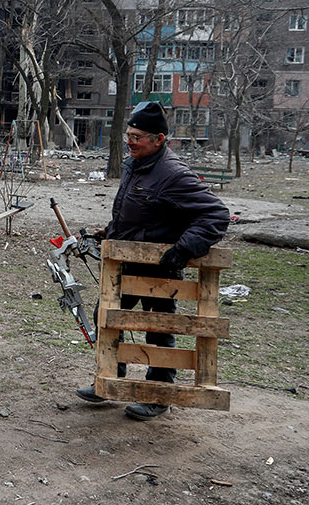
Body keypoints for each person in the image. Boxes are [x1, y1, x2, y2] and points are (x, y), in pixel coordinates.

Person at [75, 101, 230, 421]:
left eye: (137, 136)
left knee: (159, 330)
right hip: (125, 264)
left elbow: (216, 215)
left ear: (160, 140)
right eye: (127, 135)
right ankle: (109, 380)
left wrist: (184, 249)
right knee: (106, 317)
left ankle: (159, 395)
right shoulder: (135, 163)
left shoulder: (173, 174)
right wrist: (109, 233)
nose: (129, 141)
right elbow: (137, 211)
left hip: (160, 270)